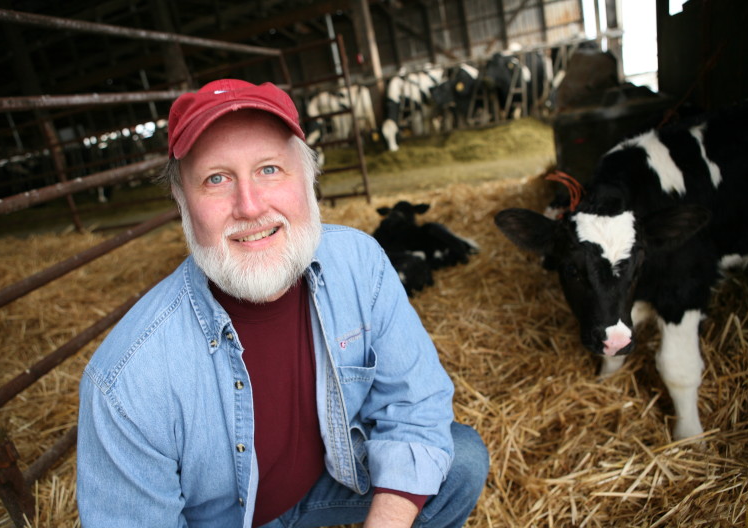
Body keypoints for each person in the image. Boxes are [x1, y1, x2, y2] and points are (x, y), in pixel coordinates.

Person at [76, 78, 489, 528]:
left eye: (269, 169)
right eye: (216, 179)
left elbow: (415, 403)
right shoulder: (124, 381)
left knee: (461, 459)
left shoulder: (359, 262)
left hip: (329, 478)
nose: (249, 206)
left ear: (309, 178)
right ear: (182, 202)